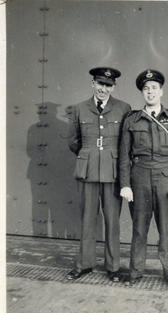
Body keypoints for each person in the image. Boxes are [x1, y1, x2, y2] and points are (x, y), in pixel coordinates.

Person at [119, 69, 168, 290]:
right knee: (139, 228)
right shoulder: (132, 119)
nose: (150, 92)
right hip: (139, 178)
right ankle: (135, 270)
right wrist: (125, 184)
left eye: (154, 88)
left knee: (166, 230)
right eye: (146, 89)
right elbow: (123, 156)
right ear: (142, 92)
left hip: (166, 179)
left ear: (161, 91)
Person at [67, 67, 131, 281]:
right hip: (87, 173)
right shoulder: (79, 109)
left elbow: (125, 144)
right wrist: (90, 156)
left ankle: (113, 268)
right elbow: (73, 141)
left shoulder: (123, 108)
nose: (103, 89)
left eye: (108, 85)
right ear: (92, 84)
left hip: (112, 174)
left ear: (114, 87)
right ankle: (84, 264)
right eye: (100, 84)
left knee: (112, 222)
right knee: (87, 220)